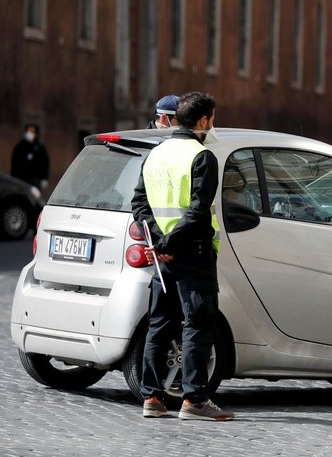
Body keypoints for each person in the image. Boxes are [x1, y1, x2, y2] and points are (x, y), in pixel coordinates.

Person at [131, 91, 233, 421]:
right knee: (197, 325)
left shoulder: (155, 155)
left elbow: (139, 205)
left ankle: (153, 399)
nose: (213, 125)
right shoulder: (202, 157)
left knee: (159, 326)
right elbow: (198, 212)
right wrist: (170, 244)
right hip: (192, 255)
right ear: (202, 120)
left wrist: (160, 243)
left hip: (165, 258)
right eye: (212, 119)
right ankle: (194, 400)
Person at [10, 124, 50, 191]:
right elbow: (14, 162)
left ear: (36, 134)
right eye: (28, 131)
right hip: (21, 179)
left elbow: (45, 163)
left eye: (32, 132)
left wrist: (44, 178)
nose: (30, 134)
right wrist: (13, 177)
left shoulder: (40, 148)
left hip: (35, 180)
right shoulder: (19, 147)